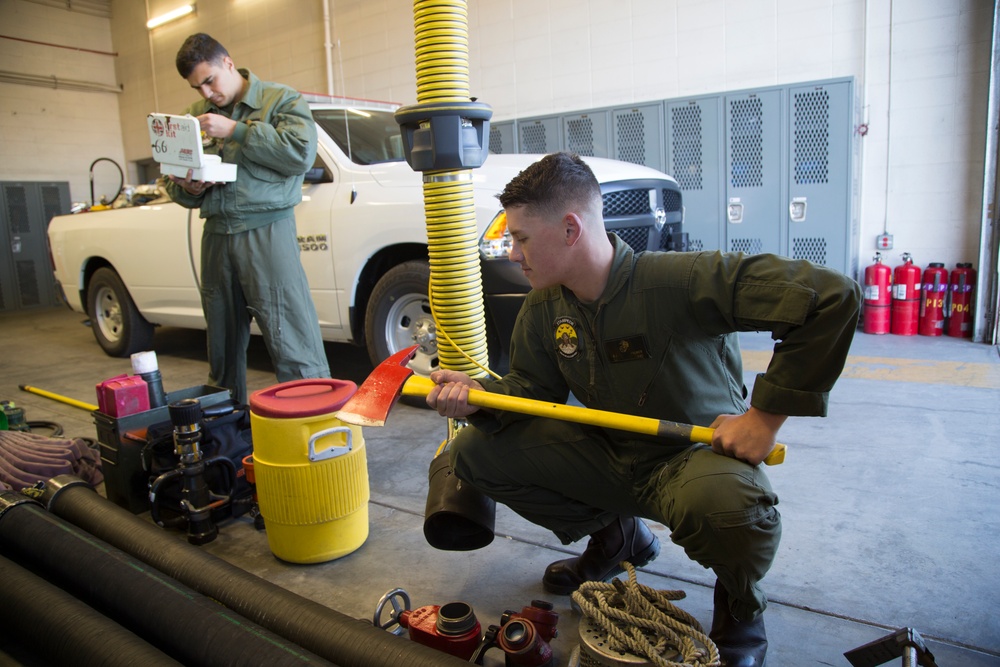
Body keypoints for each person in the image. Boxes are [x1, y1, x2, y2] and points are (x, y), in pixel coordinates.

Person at [426, 152, 862, 666]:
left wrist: (763, 419)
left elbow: (831, 297)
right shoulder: (544, 307)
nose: (512, 251)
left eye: (520, 238)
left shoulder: (681, 281)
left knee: (731, 511)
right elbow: (530, 389)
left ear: (570, 229)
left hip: (691, 460)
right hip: (610, 456)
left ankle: (740, 607)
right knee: (476, 453)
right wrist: (477, 395)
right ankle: (617, 538)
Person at [162, 33, 330, 405]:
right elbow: (170, 180)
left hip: (266, 231)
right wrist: (189, 186)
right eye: (196, 86)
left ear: (227, 62)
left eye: (209, 80)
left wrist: (237, 130)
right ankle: (226, 428)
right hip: (217, 234)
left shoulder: (279, 100)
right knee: (221, 342)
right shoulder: (195, 117)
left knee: (291, 333)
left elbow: (300, 154)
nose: (206, 93)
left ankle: (311, 417)